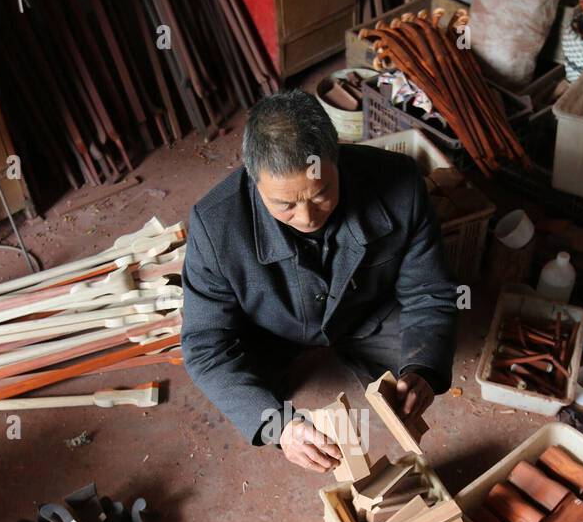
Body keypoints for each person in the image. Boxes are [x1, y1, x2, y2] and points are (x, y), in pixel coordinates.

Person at [181, 89, 459, 473]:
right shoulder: (215, 226)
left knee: (421, 365)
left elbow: (429, 292)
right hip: (269, 333)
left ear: (338, 155)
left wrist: (423, 368)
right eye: (285, 205)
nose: (308, 216)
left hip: (366, 315)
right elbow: (205, 346)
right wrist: (280, 426)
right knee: (248, 398)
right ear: (253, 179)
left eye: (322, 193)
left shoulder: (401, 183)